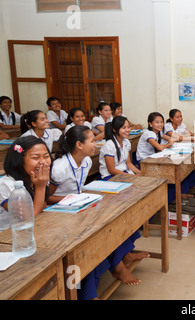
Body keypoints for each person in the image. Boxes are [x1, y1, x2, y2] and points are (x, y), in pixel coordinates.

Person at [48, 125, 147, 299]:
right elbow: (47, 199)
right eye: (92, 140)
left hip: (77, 206)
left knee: (112, 221)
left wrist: (82, 197)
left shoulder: (85, 161)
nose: (95, 144)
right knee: (98, 233)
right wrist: (74, 198)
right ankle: (117, 266)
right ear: (79, 144)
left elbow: (78, 189)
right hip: (60, 212)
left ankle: (121, 260)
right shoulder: (60, 166)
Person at [136, 112, 195, 202]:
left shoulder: (158, 133)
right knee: (170, 175)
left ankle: (178, 195)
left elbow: (168, 140)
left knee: (178, 169)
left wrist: (170, 143)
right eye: (157, 122)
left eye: (161, 122)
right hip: (144, 161)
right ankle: (169, 199)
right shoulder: (148, 133)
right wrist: (169, 144)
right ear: (150, 123)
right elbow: (159, 147)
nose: (160, 124)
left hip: (154, 158)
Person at [0, 136, 51, 232]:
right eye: (35, 157)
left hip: (32, 232)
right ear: (19, 160)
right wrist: (41, 187)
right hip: (8, 238)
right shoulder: (6, 185)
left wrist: (41, 186)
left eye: (46, 156)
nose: (43, 162)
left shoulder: (37, 178)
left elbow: (42, 210)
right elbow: (30, 219)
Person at [99, 116, 141, 180]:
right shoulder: (109, 145)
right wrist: (131, 176)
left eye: (128, 127)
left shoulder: (126, 142)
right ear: (114, 129)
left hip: (123, 173)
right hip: (110, 176)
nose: (127, 130)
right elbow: (112, 170)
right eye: (124, 128)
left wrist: (141, 173)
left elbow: (128, 163)